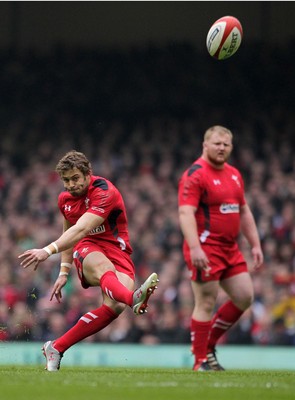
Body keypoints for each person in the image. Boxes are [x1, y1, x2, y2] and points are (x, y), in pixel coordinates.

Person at [19, 150, 159, 371]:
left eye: (75, 178)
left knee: (114, 306)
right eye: (66, 180)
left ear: (87, 174)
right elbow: (72, 233)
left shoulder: (104, 191)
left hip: (117, 252)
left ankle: (56, 347)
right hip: (88, 248)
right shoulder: (64, 199)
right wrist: (63, 271)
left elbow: (83, 226)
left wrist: (47, 250)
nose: (71, 184)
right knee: (104, 269)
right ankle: (135, 299)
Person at [178, 125, 263, 371]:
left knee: (245, 296)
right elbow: (185, 212)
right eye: (217, 143)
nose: (222, 148)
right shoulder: (195, 174)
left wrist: (255, 243)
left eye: (226, 144)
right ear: (205, 145)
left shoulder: (234, 174)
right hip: (205, 247)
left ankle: (207, 346)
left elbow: (243, 210)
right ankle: (200, 361)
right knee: (205, 302)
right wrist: (194, 248)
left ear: (231, 147)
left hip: (230, 248)